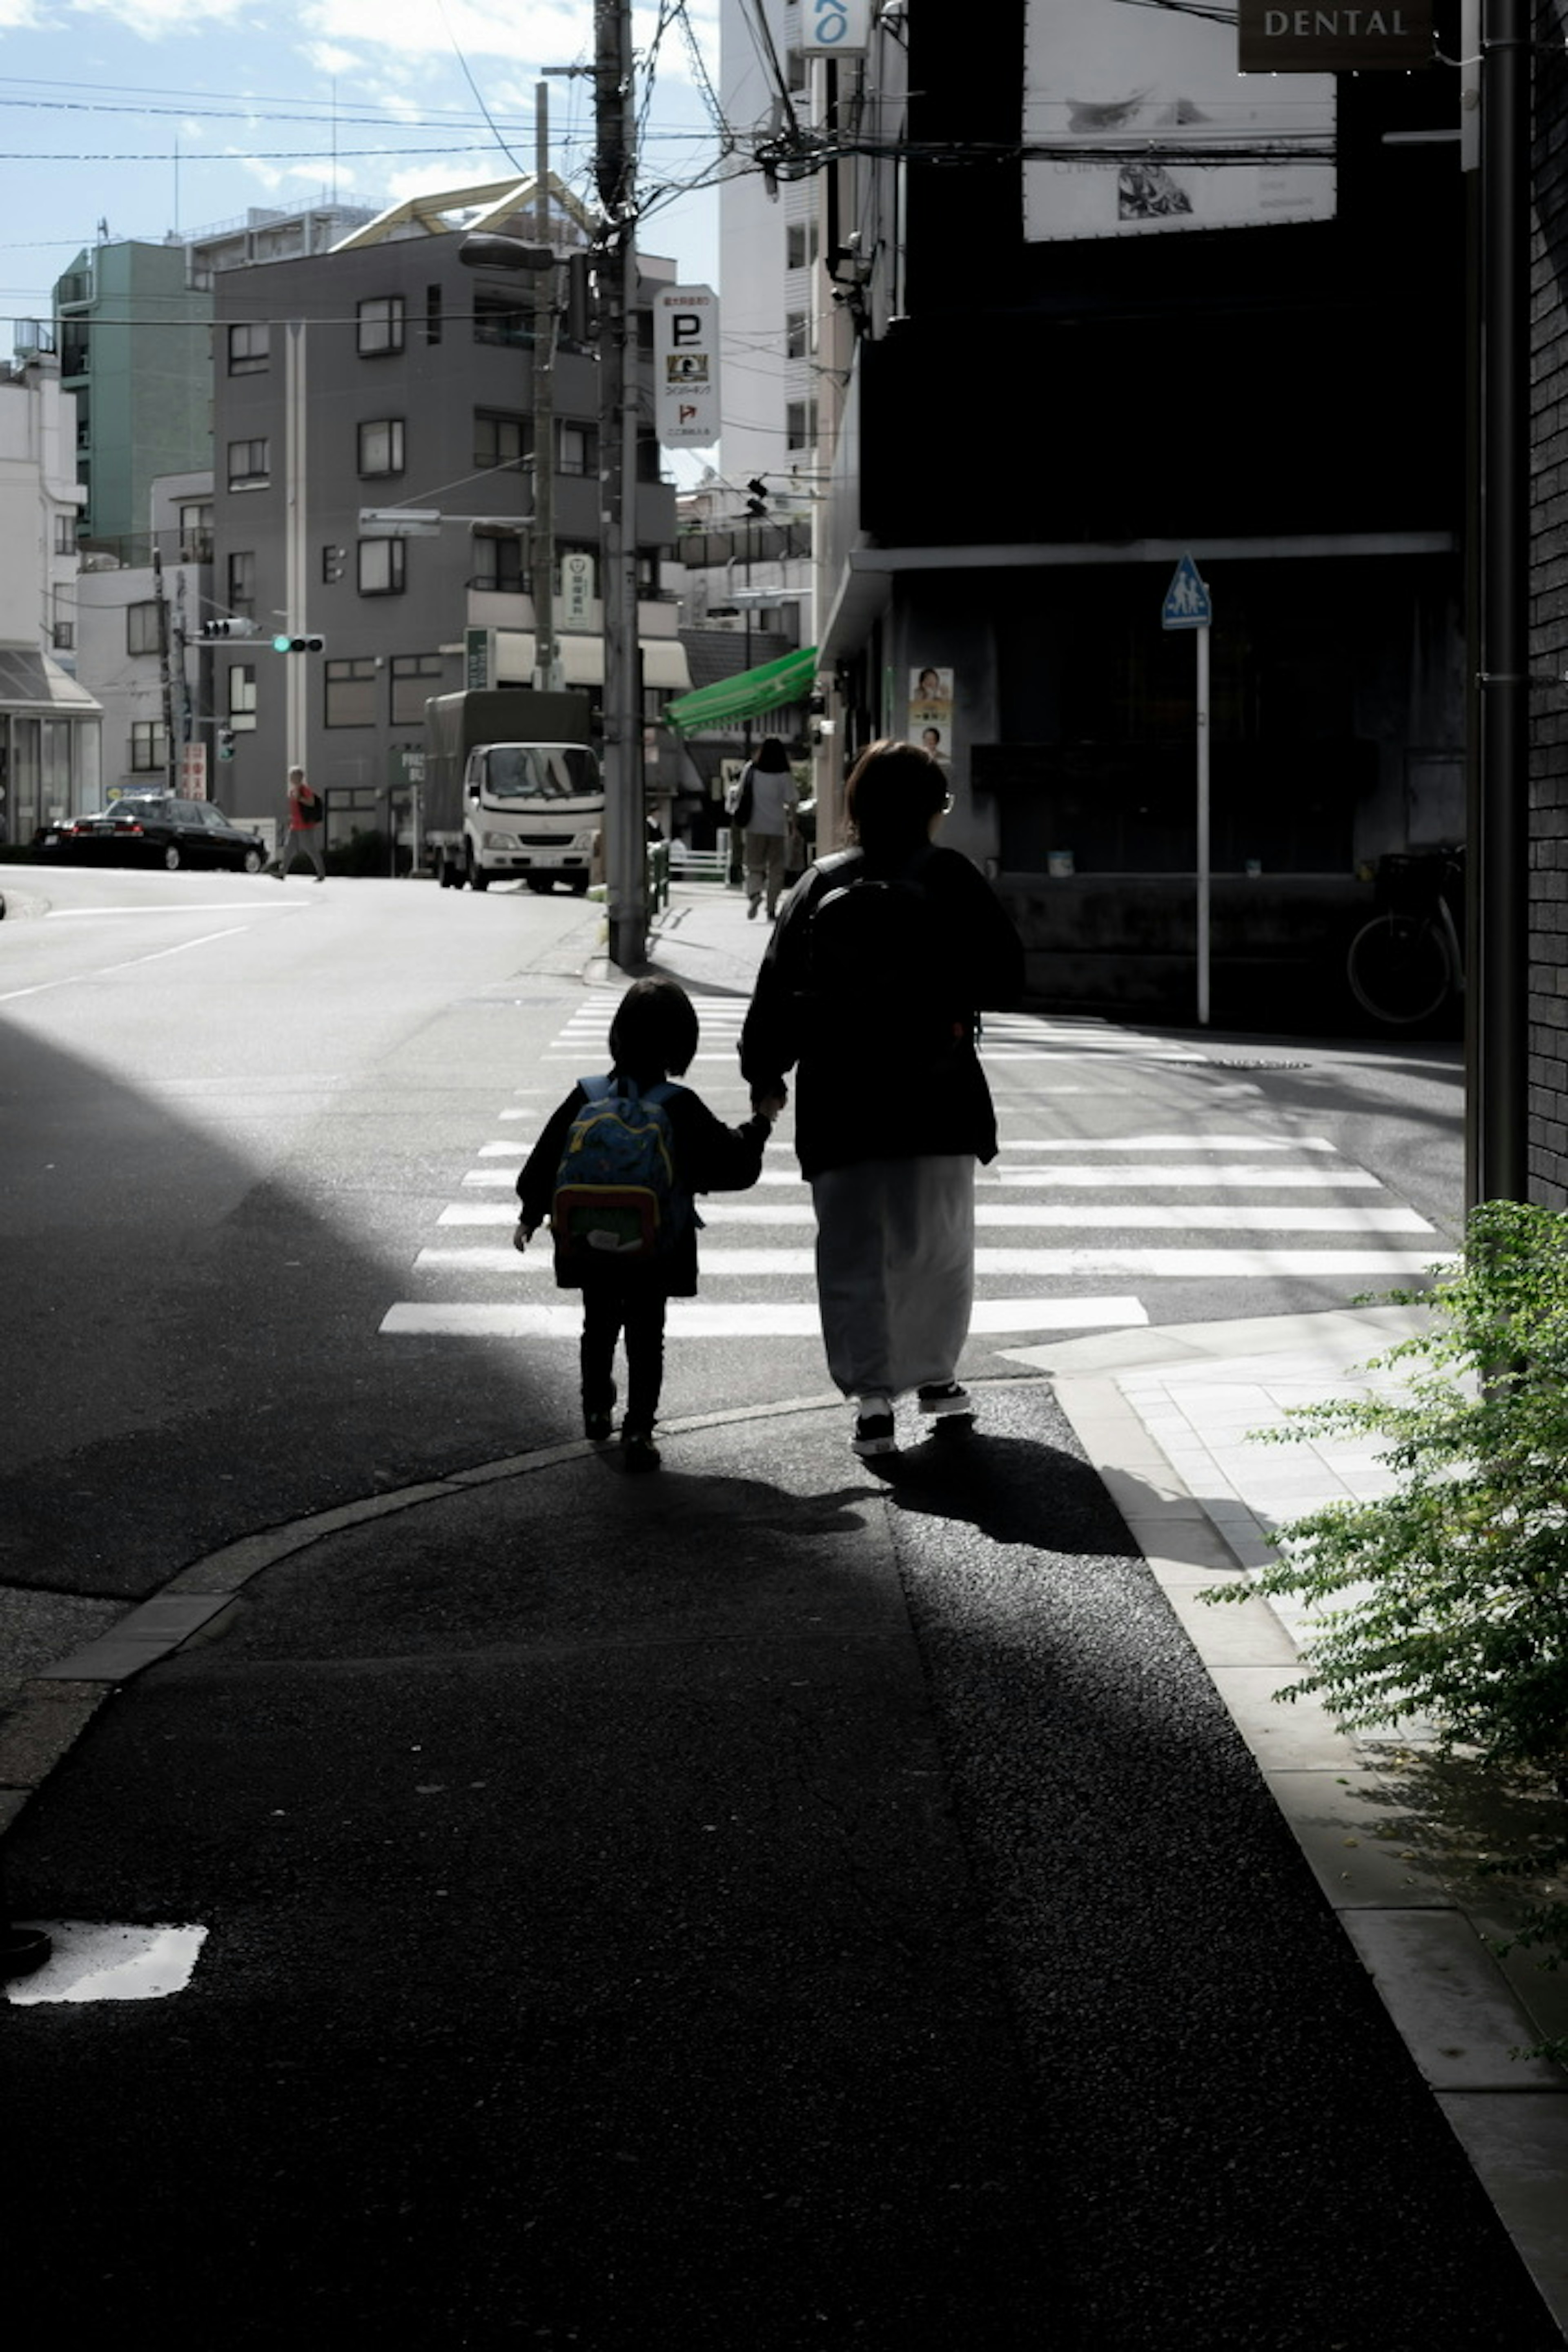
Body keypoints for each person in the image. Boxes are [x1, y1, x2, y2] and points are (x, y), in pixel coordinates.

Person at [739, 737, 1025, 1460]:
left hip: (841, 1100)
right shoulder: (952, 877)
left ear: (856, 807)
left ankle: (871, 1401)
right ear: (933, 809)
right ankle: (936, 1379)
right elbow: (1009, 974)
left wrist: (766, 1074)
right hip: (937, 1096)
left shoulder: (820, 881)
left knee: (853, 1251)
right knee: (936, 1247)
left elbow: (776, 993)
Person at [515, 976, 784, 1473]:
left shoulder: (587, 1095)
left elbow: (547, 1157)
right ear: (680, 1043)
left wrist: (531, 1215)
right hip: (653, 1248)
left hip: (589, 1245)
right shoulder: (677, 1106)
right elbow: (733, 1164)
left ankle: (596, 1406)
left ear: (619, 1033)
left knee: (597, 1325)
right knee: (645, 1333)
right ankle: (638, 1430)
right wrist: (762, 1120)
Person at [734, 737, 798, 922]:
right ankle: (771, 908)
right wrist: (794, 825)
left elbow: (739, 794)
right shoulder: (784, 774)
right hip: (778, 827)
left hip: (755, 826)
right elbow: (792, 801)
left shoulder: (751, 770)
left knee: (754, 865)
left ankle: (755, 894)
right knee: (776, 869)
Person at [275, 766, 325, 881]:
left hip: (305, 827)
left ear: (299, 777)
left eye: (293, 776)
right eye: (291, 776)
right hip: (295, 826)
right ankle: (282, 873)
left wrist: (300, 799)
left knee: (311, 850)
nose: (291, 778)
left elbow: (312, 803)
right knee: (288, 850)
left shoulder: (305, 790)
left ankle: (321, 874)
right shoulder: (293, 791)